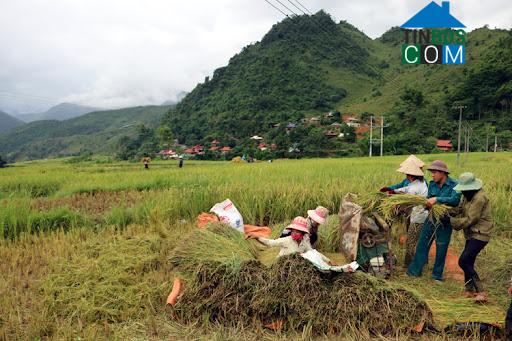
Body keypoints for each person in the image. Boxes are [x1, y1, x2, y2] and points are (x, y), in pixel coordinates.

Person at [407, 160, 461, 281]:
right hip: (431, 219)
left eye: (434, 172)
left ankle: (437, 276)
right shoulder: (432, 184)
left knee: (441, 248)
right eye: (431, 172)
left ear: (443, 173)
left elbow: (455, 200)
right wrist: (426, 204)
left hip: (444, 221)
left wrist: (437, 199)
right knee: (422, 245)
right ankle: (414, 272)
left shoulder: (454, 185)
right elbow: (428, 199)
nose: (432, 175)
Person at [449, 172, 493, 303]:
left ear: (473, 187)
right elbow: (460, 209)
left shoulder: (479, 198)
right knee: (469, 261)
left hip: (481, 234)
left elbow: (471, 219)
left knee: (463, 261)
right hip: (471, 234)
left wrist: (451, 221)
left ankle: (481, 292)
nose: (463, 193)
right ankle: (469, 290)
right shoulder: (467, 196)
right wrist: (446, 211)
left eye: (465, 190)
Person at [389, 160, 428, 266]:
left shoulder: (415, 187)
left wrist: (394, 199)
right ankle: (421, 261)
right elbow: (405, 188)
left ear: (411, 175)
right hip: (419, 215)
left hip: (418, 216)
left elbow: (407, 197)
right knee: (418, 240)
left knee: (411, 241)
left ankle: (409, 264)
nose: (406, 177)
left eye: (407, 175)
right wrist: (393, 191)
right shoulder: (420, 182)